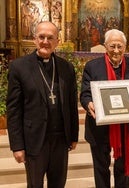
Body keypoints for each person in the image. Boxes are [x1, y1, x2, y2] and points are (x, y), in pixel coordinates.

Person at [7, 21, 79, 188]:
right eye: (41, 37)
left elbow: (71, 103)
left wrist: (73, 135)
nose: (45, 41)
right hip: (34, 139)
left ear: (57, 42)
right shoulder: (19, 67)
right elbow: (14, 110)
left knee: (58, 184)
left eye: (50, 38)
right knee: (34, 185)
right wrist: (17, 146)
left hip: (60, 140)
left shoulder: (66, 67)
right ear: (34, 39)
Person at [80, 29, 129, 188]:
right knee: (101, 167)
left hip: (125, 127)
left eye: (120, 46)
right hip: (100, 126)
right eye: (112, 46)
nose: (116, 51)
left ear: (125, 47)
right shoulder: (92, 66)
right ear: (105, 46)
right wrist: (89, 104)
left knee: (122, 168)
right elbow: (85, 94)